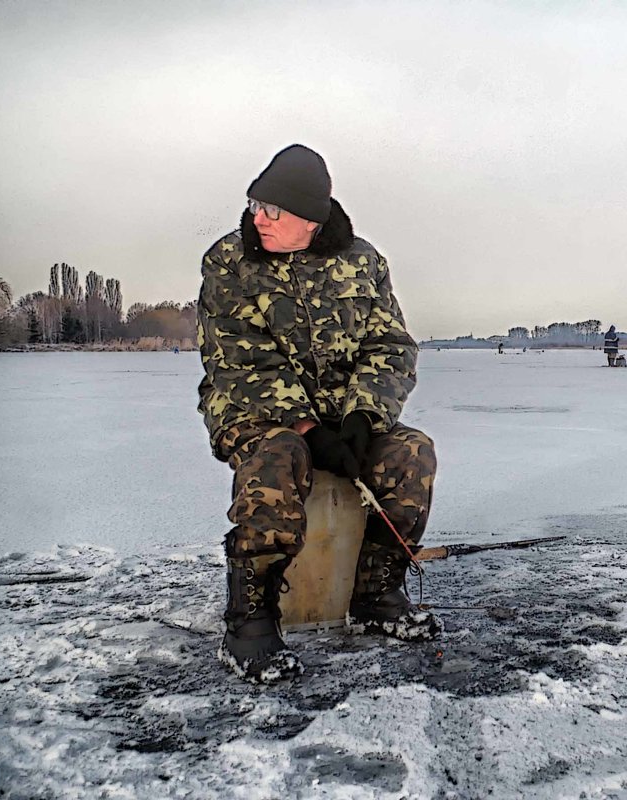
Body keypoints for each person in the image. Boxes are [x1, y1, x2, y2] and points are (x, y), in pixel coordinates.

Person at [196, 145, 440, 684]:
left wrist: (363, 418)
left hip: (345, 413)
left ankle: (376, 594)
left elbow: (391, 346)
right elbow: (237, 359)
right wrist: (308, 428)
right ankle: (249, 620)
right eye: (255, 204)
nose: (258, 218)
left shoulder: (363, 262)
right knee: (279, 455)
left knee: (411, 452)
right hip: (251, 409)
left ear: (312, 219)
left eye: (273, 211)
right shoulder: (229, 262)